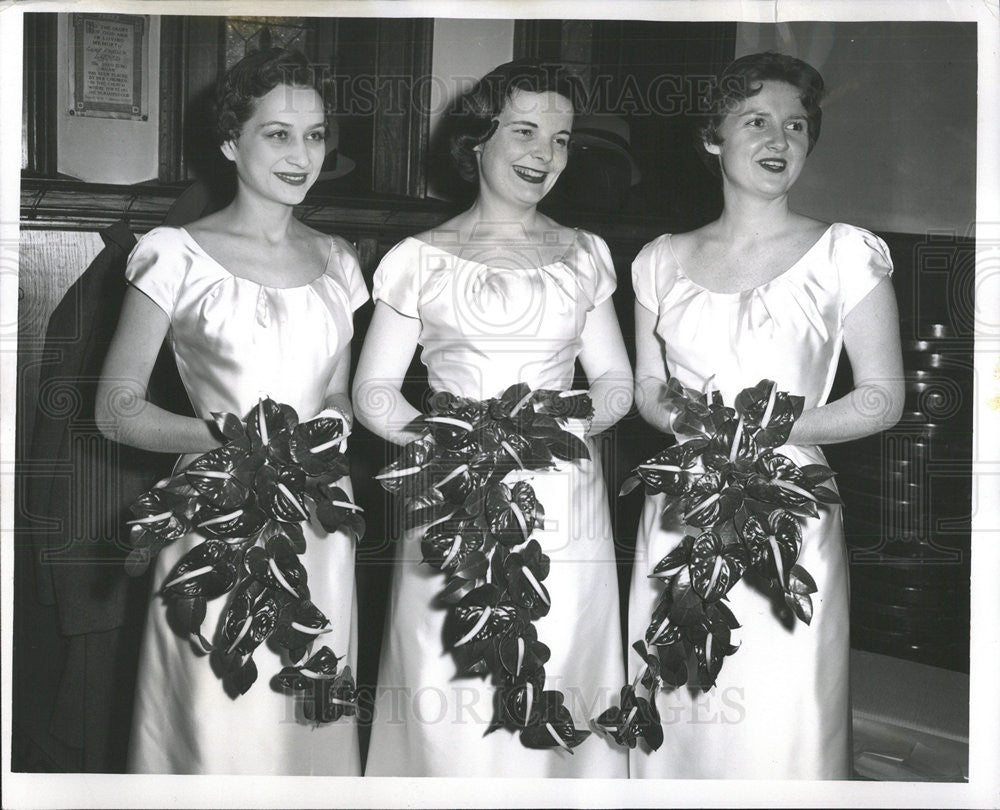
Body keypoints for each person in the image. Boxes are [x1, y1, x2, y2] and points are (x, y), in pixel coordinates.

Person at [628, 52, 904, 779]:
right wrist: (701, 435)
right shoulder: (659, 259)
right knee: (682, 702)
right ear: (713, 137)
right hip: (679, 508)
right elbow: (647, 390)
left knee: (781, 711)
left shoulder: (845, 252)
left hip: (792, 512)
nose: (781, 139)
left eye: (797, 126)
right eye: (757, 121)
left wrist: (763, 434)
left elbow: (881, 398)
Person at [354, 60, 632, 777]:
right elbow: (375, 392)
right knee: (452, 688)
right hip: (453, 499)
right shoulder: (419, 259)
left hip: (566, 504)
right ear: (478, 139)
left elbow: (615, 383)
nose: (545, 153)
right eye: (526, 131)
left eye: (563, 138)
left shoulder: (584, 255)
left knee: (562, 663)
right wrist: (458, 448)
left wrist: (553, 434)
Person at [95, 48, 368, 775]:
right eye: (277, 134)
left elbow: (336, 390)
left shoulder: (341, 259)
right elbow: (115, 410)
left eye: (314, 135)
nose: (301, 153)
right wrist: (232, 440)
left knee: (307, 725)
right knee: (220, 722)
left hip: (318, 518)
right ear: (229, 143)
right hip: (214, 515)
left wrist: (332, 424)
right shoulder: (175, 253)